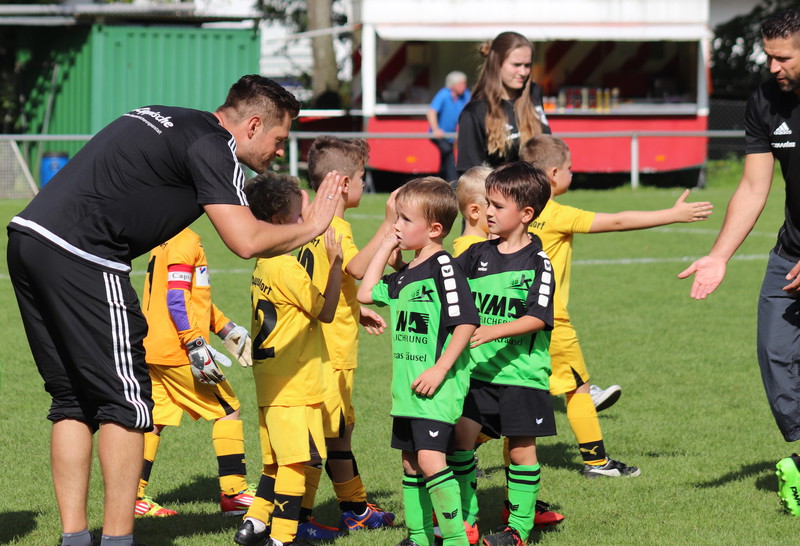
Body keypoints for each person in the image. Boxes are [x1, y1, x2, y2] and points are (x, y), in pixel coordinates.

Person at [6, 74, 343, 546]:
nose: (279, 152)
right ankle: (118, 540)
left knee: (71, 401)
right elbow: (246, 240)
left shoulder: (168, 116)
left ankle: (75, 539)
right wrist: (314, 225)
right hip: (83, 254)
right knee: (126, 404)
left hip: (27, 238)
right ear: (252, 125)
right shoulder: (214, 145)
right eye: (279, 139)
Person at [522, 134, 712, 477]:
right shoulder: (557, 214)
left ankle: (462, 453)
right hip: (551, 320)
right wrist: (672, 214)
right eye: (570, 168)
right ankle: (597, 463)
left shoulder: (515, 213)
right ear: (553, 174)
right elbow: (619, 221)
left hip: (513, 318)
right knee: (578, 387)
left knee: (517, 392)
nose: (572, 174)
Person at [678, 7, 800, 517]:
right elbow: (753, 187)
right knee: (776, 353)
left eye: (783, 57)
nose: (772, 67)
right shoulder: (766, 100)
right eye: (768, 56)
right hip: (789, 255)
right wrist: (719, 255)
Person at [357, 177, 480, 546]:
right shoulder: (407, 274)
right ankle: (419, 536)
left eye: (405, 220)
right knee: (411, 462)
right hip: (407, 390)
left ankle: (456, 539)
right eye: (396, 218)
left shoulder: (444, 267)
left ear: (435, 229)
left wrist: (440, 369)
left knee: (429, 461)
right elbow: (365, 291)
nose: (396, 226)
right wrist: (386, 243)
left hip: (437, 387)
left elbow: (466, 323)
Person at [293, 136, 396, 540]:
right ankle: (298, 518)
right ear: (342, 182)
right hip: (332, 353)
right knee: (321, 437)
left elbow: (324, 278)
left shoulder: (308, 223)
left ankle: (354, 509)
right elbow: (355, 268)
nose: (365, 184)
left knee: (338, 432)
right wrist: (388, 225)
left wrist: (355, 307)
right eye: (362, 177)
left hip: (321, 345)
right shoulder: (336, 226)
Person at [234, 173, 344, 546]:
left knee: (275, 462)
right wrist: (334, 264)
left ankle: (253, 524)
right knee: (298, 461)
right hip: (295, 383)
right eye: (299, 215)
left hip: (269, 380)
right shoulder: (286, 266)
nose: (303, 222)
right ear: (280, 220)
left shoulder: (264, 263)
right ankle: (283, 537)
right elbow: (325, 312)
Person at [451, 162, 556, 546]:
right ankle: (466, 520)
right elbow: (444, 283)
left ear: (526, 214)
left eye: (497, 206)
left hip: (521, 376)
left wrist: (492, 330)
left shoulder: (537, 262)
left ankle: (519, 530)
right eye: (487, 204)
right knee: (459, 441)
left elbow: (539, 316)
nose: (489, 212)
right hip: (477, 374)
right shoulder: (477, 254)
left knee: (521, 453)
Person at [136, 227, 254, 518]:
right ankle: (235, 493)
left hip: (154, 347)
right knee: (228, 409)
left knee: (155, 420)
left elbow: (193, 298)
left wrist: (226, 329)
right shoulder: (185, 241)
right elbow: (176, 298)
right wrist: (194, 342)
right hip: (177, 351)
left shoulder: (163, 239)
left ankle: (134, 496)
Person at [456, 31, 551, 175]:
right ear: (496, 64)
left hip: (537, 188)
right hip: (494, 189)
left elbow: (547, 146)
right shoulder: (474, 112)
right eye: (516, 65)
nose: (523, 72)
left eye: (527, 65)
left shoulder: (534, 93)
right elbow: (468, 175)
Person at [427, 71, 471, 183]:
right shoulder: (443, 94)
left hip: (450, 135)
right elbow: (431, 112)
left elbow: (470, 112)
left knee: (446, 158)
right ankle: (454, 183)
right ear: (452, 85)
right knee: (448, 153)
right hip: (439, 134)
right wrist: (436, 129)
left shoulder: (465, 95)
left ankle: (440, 182)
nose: (464, 86)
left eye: (464, 83)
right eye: (461, 84)